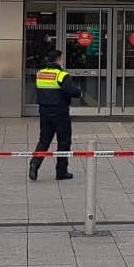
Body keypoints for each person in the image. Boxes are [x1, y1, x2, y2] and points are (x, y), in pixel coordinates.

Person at [29, 50, 80, 181]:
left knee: (44, 140)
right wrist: (79, 92)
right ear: (58, 60)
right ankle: (61, 171)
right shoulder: (62, 75)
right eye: (62, 59)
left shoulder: (40, 74)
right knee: (63, 141)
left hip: (44, 112)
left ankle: (34, 164)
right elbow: (72, 91)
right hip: (60, 112)